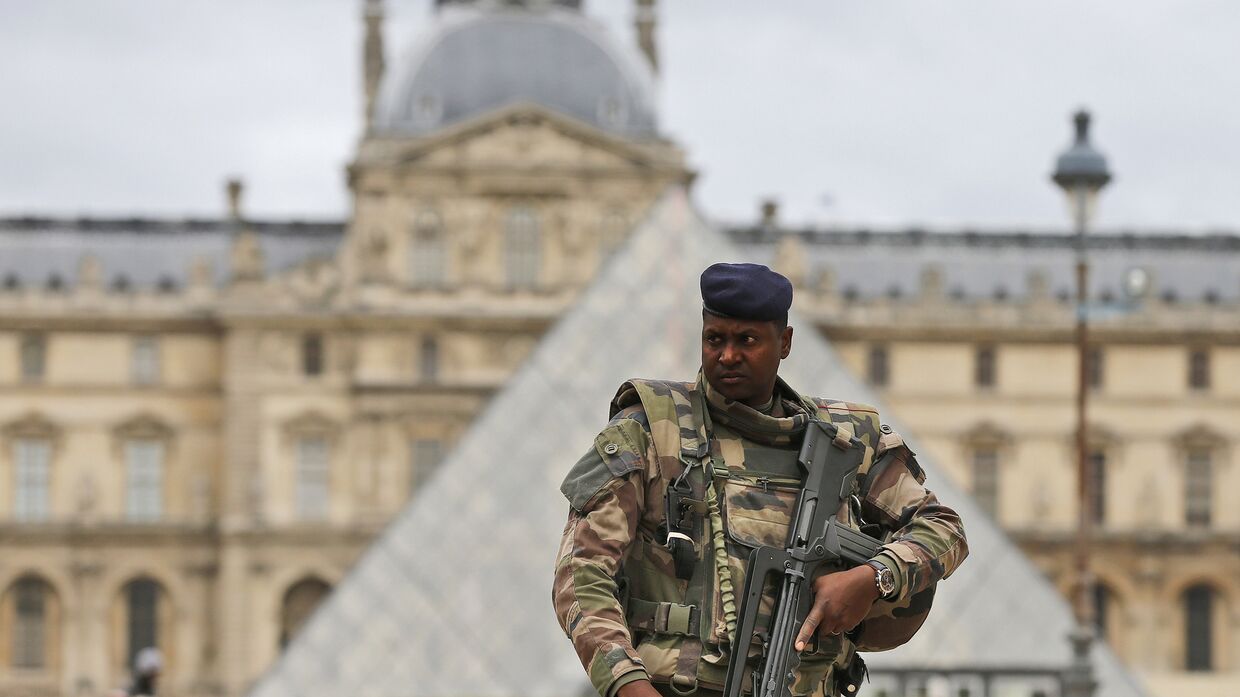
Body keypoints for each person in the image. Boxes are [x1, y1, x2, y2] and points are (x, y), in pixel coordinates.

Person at [553, 263, 968, 697]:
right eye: (715, 339)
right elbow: (580, 573)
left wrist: (873, 577)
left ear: (784, 342)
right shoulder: (650, 431)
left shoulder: (846, 443)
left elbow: (943, 527)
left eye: (746, 340)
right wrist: (627, 683)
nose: (727, 356)